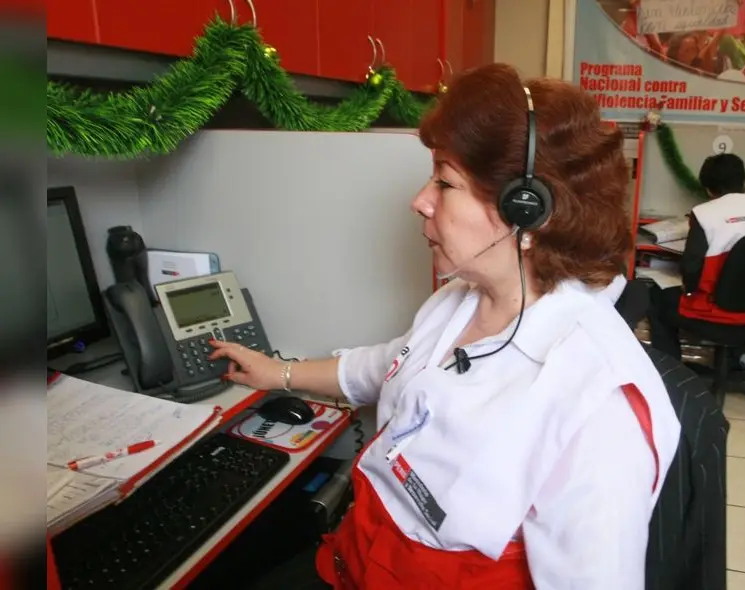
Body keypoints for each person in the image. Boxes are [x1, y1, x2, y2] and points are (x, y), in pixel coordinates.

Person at [210, 63, 681, 589]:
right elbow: (389, 366)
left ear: (526, 210)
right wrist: (278, 373)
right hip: (350, 562)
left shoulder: (599, 406)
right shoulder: (458, 301)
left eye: (445, 181)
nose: (420, 200)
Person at [649, 153, 745, 361]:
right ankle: (732, 364)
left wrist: (687, 288)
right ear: (744, 181)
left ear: (708, 189)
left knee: (657, 295)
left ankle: (671, 371)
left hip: (719, 314)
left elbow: (691, 269)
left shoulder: (705, 213)